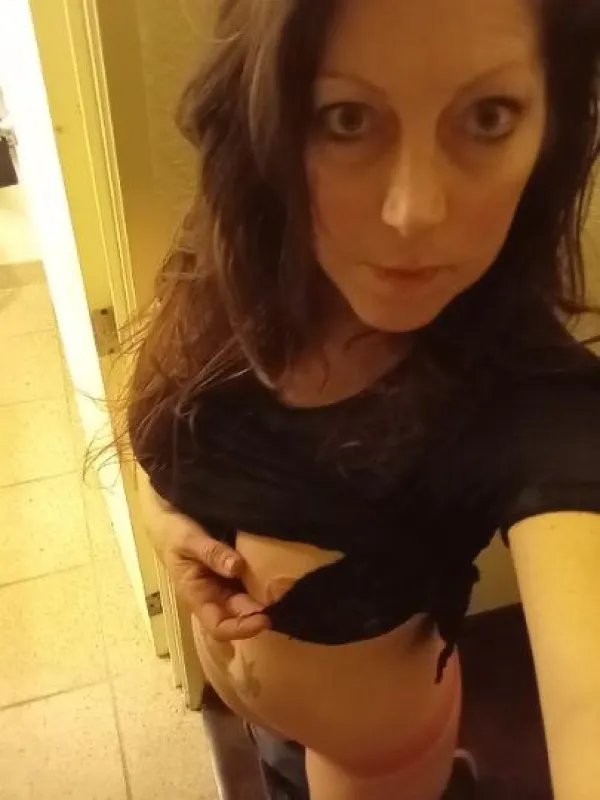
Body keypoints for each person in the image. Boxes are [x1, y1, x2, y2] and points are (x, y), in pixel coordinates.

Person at [127, 1, 600, 798]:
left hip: (376, 761)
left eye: (487, 116)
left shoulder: (536, 402)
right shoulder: (234, 249)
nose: (413, 211)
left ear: (551, 124)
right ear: (267, 118)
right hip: (265, 724)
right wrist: (165, 521)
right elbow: (165, 416)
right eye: (346, 119)